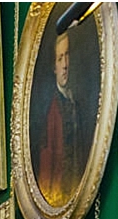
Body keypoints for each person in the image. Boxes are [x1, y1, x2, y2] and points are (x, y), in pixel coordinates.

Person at [38, 30, 84, 206]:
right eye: (60, 59)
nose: (65, 65)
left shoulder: (76, 103)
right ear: (54, 68)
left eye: (67, 56)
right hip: (58, 196)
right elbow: (47, 162)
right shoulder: (50, 109)